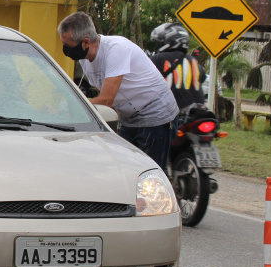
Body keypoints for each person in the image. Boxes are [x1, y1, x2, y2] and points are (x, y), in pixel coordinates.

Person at [58, 12, 178, 169]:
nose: (65, 50)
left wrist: (75, 106)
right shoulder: (84, 58)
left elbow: (106, 99)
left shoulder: (116, 49)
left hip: (155, 112)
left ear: (86, 42)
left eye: (68, 46)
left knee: (148, 172)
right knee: (125, 167)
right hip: (129, 117)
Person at [149, 22, 207, 110]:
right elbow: (202, 78)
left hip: (170, 112)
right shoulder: (194, 61)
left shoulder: (158, 59)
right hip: (196, 113)